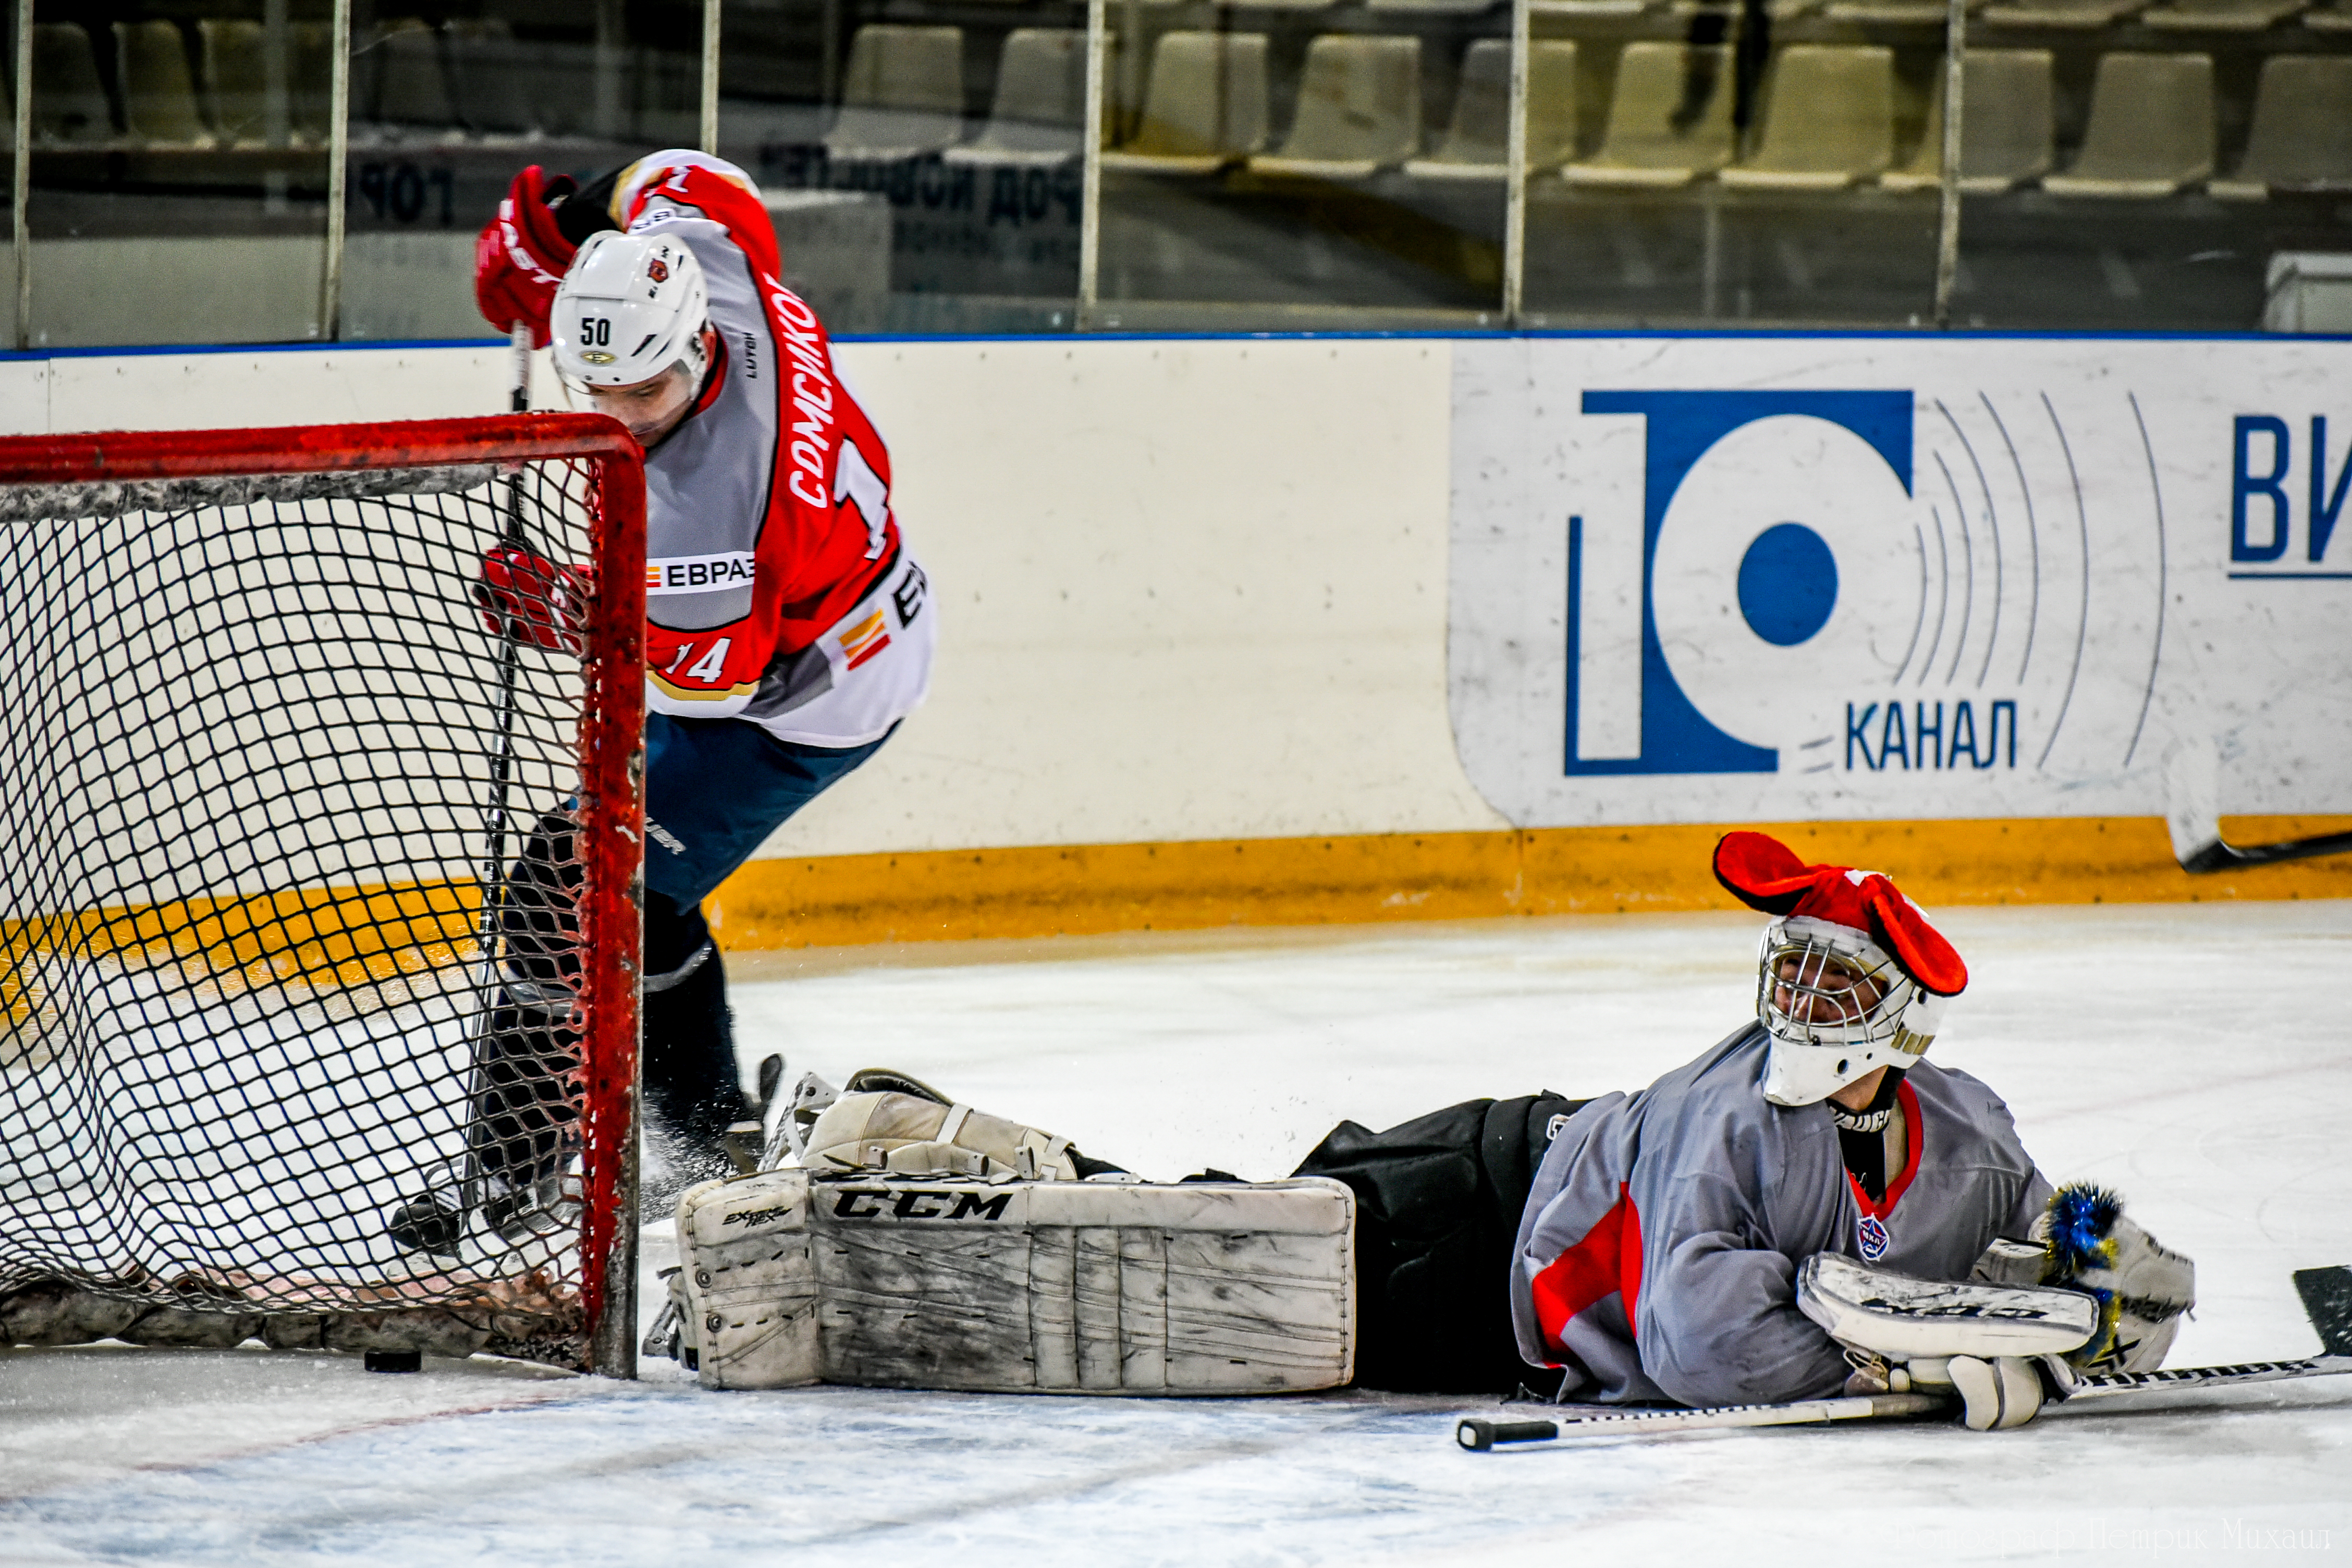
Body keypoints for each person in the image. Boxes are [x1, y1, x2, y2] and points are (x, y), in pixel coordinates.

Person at [766, 831, 2195, 1425]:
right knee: (1186, 1255)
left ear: (1902, 1022)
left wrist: (2098, 1278)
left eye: (1835, 979)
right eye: (1792, 971)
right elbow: (1705, 1351)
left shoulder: (1974, 1135)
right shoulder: (1725, 1116)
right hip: (1475, 1229)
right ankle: (915, 1133)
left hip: (1495, 1249)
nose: (1802, 1001)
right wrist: (1882, 1337)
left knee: (1192, 1244)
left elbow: (2042, 1240)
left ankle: (917, 1126)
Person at [388, 151, 933, 1256]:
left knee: (567, 882)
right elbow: (681, 170)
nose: (623, 419)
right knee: (646, 894)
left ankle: (514, 1169)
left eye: (645, 394)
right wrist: (555, 226)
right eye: (602, 392)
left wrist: (566, 611)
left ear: (693, 348)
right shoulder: (712, 263)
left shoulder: (720, 512)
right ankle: (708, 1126)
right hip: (824, 614)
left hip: (799, 696)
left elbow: (708, 683)